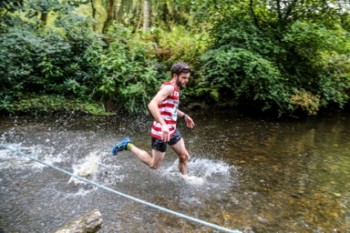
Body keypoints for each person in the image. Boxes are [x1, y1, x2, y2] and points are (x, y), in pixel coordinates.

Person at [112, 62, 195, 175]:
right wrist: (163, 125)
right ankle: (127, 145)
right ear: (175, 76)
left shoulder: (176, 87)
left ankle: (185, 181)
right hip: (161, 132)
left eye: (187, 78)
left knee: (184, 156)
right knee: (154, 165)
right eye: (184, 78)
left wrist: (184, 116)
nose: (186, 80)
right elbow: (152, 105)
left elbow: (170, 106)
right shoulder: (169, 88)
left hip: (171, 129)